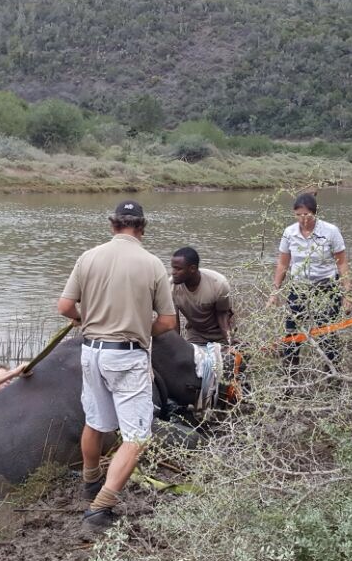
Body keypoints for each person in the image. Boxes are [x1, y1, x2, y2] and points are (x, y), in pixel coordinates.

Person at [57, 200, 177, 533]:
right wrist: (141, 329)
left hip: (91, 351)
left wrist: (87, 320)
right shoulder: (152, 264)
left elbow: (64, 306)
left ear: (113, 226)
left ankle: (91, 481)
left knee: (95, 421)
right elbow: (167, 322)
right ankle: (100, 508)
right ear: (142, 228)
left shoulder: (89, 257)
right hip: (127, 355)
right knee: (137, 437)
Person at [268, 192, 351, 368]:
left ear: (315, 213)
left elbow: (342, 263)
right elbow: (283, 264)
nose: (303, 219)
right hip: (299, 288)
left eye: (306, 214)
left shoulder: (330, 231)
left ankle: (332, 374)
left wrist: (347, 294)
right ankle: (291, 375)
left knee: (326, 332)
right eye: (298, 215)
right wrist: (274, 293)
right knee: (291, 332)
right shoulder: (289, 232)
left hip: (326, 288)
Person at [170, 247, 232, 345]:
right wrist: (176, 346)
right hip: (196, 334)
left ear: (192, 269)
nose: (173, 272)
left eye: (178, 269)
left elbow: (223, 314)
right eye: (173, 267)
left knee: (232, 357)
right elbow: (174, 321)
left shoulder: (218, 284)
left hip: (220, 333)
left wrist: (229, 341)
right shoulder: (171, 287)